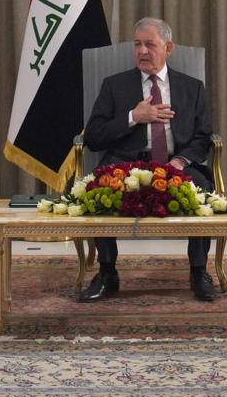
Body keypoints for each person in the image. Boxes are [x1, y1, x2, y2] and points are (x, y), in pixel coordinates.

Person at [79, 17, 217, 302]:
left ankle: (199, 271)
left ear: (168, 47)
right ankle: (107, 272)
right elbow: (93, 137)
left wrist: (181, 161)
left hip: (175, 165)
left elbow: (203, 136)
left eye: (150, 44)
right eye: (137, 45)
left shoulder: (192, 87)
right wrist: (133, 117)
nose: (142, 51)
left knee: (203, 189)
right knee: (99, 190)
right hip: (126, 166)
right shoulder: (114, 86)